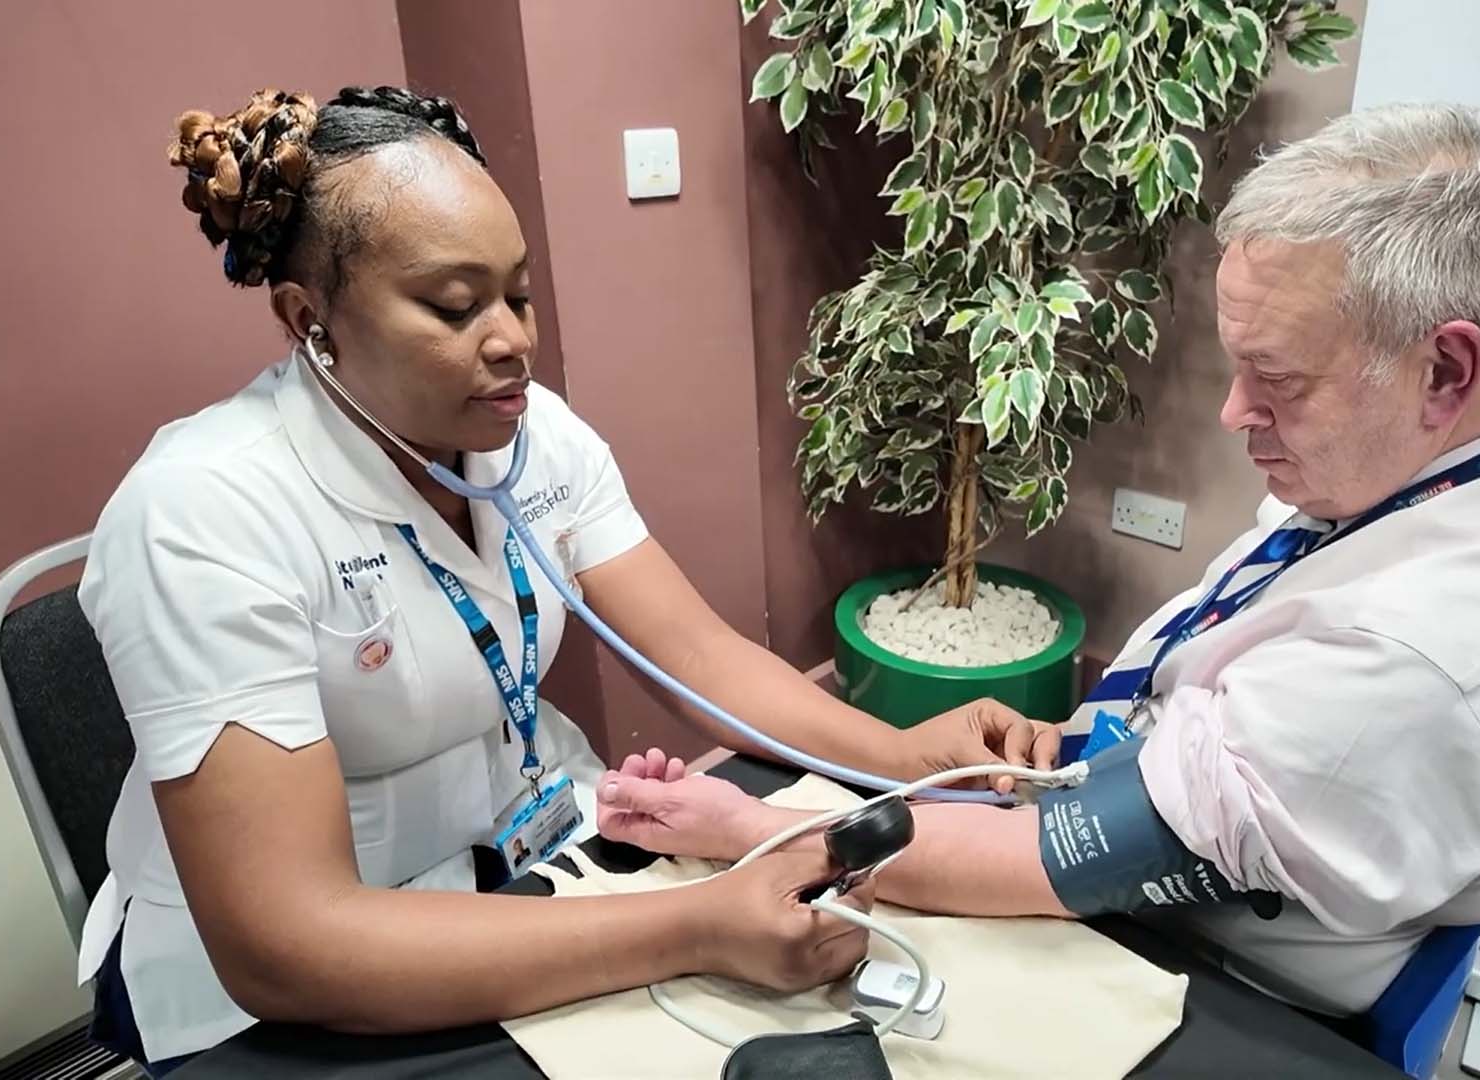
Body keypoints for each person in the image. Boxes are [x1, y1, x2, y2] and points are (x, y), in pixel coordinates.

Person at [76, 86, 1059, 1074]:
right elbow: (293, 946)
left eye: (518, 293)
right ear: (308, 318)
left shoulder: (528, 434)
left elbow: (702, 658)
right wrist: (697, 927)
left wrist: (903, 758)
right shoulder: (201, 513)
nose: (511, 340)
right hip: (304, 990)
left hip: (526, 864)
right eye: (454, 307)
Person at [596, 104, 1480, 1019]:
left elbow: (1052, 866)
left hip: (1218, 981)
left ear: (1445, 366)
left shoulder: (1408, 663)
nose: (1236, 414)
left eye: (1277, 379)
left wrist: (752, 829)